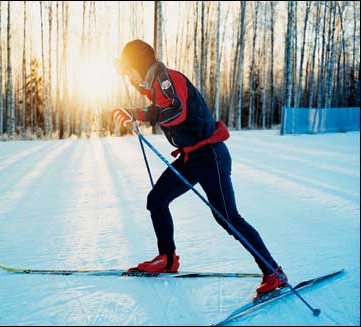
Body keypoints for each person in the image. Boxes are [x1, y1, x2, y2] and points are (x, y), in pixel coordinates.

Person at [112, 39, 287, 295]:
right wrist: (133, 108)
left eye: (130, 68)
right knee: (157, 199)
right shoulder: (158, 83)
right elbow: (156, 101)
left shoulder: (166, 79)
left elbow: (176, 112)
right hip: (191, 158)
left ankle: (273, 272)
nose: (130, 75)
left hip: (210, 155)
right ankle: (168, 259)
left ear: (138, 62)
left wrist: (139, 112)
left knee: (227, 217)